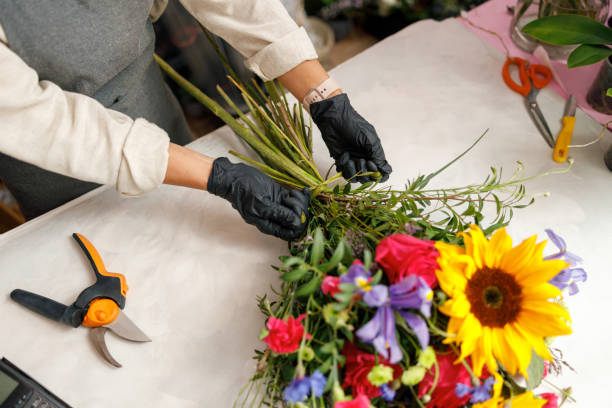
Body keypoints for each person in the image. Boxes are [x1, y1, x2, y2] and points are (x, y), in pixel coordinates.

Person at [0, 0, 392, 240]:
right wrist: (219, 176)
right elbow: (39, 122)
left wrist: (323, 97)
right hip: (54, 167)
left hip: (150, 105)